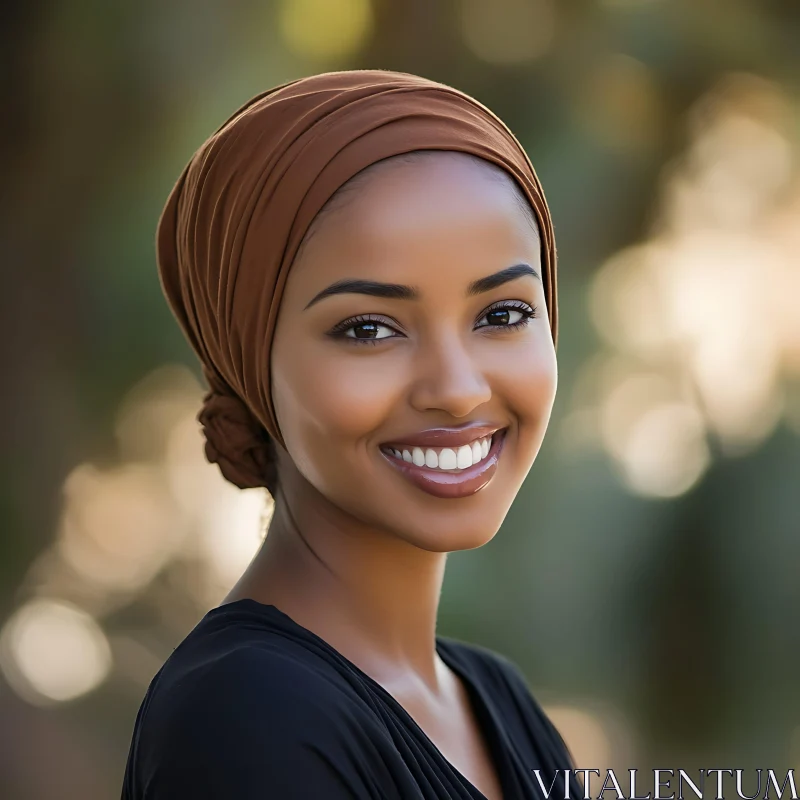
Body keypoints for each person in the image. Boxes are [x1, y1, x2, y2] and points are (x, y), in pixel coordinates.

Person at [121, 69, 582, 800]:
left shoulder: (498, 700)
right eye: (368, 328)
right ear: (251, 359)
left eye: (502, 314)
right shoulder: (248, 718)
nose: (458, 389)